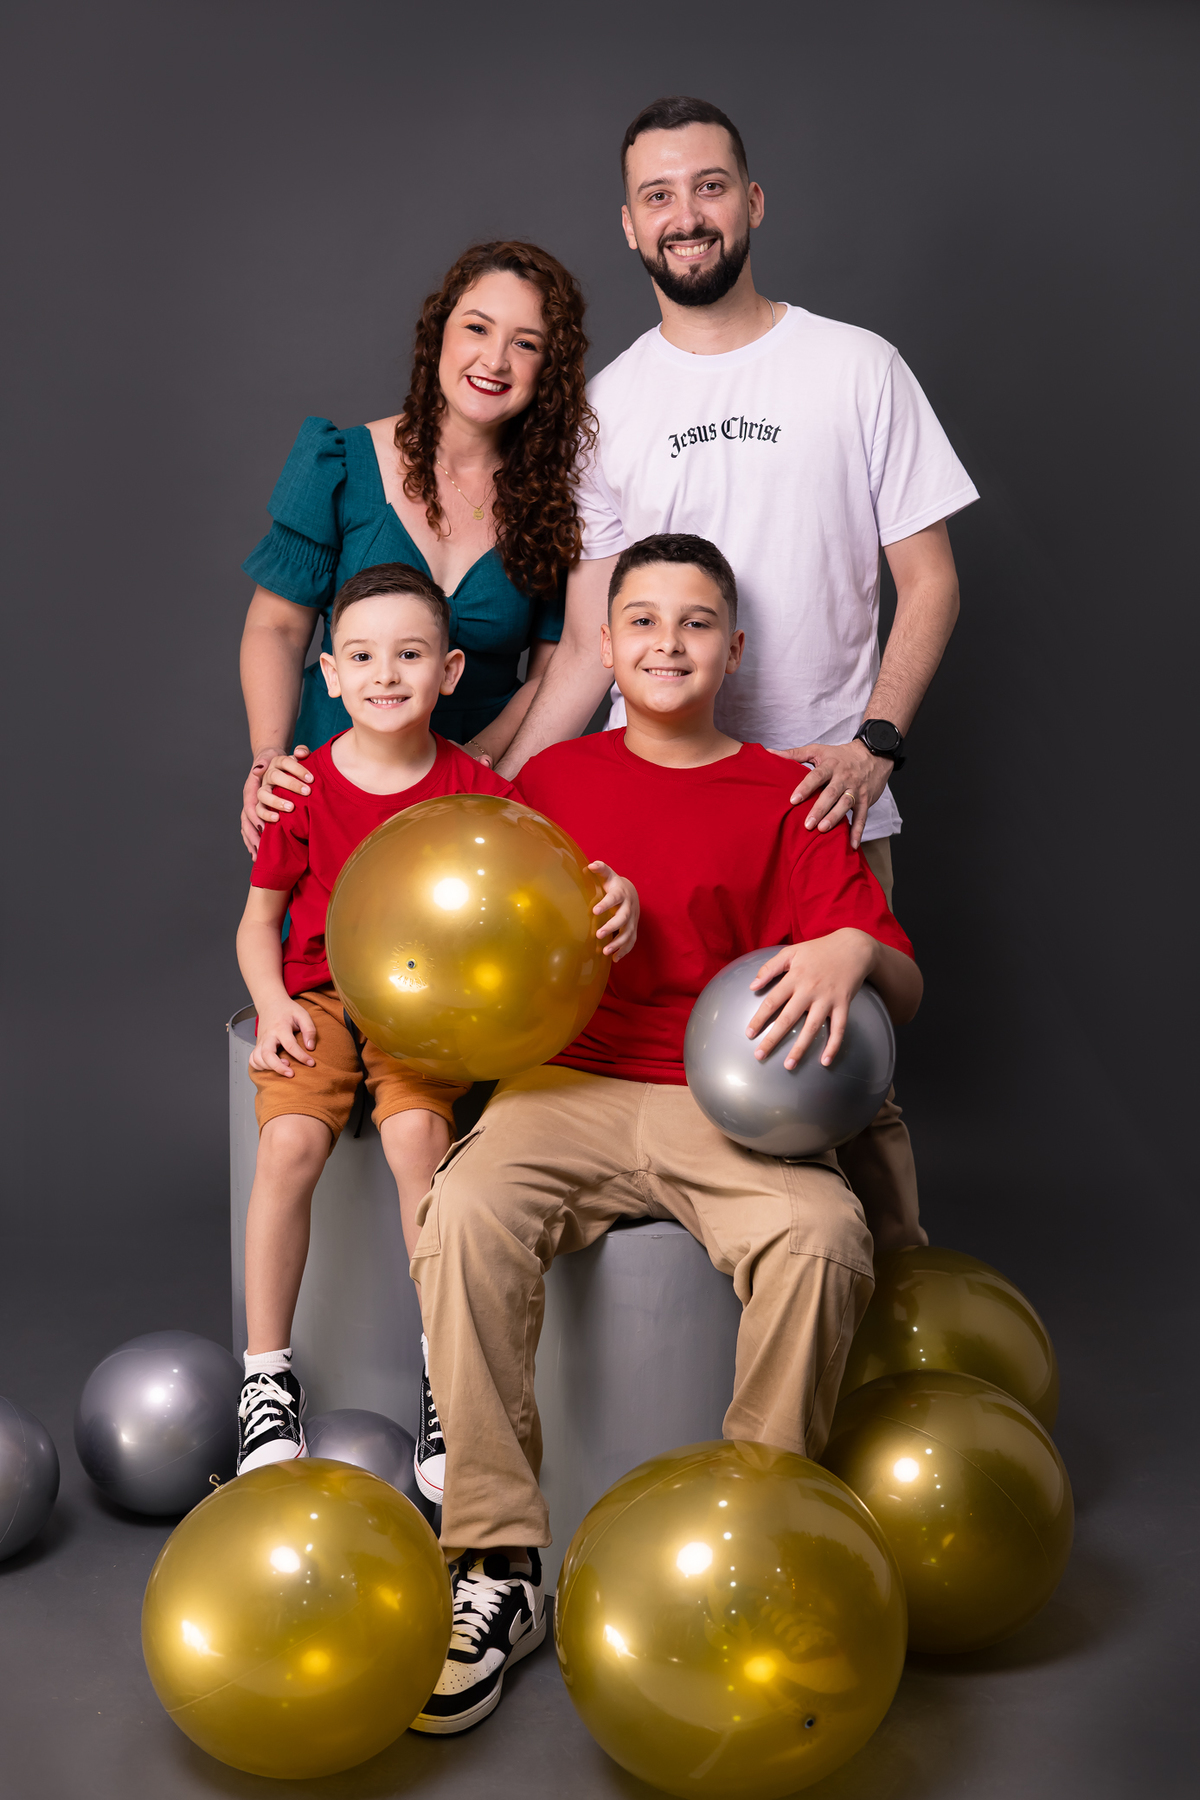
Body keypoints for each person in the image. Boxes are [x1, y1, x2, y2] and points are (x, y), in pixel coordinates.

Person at [409, 534, 922, 1735]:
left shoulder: (789, 794)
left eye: (695, 624)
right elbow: (478, 942)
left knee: (821, 1236)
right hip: (565, 1085)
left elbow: (901, 987)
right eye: (641, 621)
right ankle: (496, 1562)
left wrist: (856, 947)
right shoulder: (552, 785)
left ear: (733, 651)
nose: (667, 644)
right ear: (605, 646)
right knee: (464, 1209)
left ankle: (755, 1532)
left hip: (726, 1108)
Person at [492, 96, 978, 1254]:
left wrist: (876, 743)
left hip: (822, 800)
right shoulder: (608, 408)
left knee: (845, 1095)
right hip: (654, 814)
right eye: (658, 195)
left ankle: (890, 1318)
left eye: (709, 186)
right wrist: (487, 796)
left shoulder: (857, 367)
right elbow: (586, 645)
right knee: (634, 1082)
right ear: (629, 225)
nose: (687, 214)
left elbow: (931, 582)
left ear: (752, 202)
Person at [235, 562, 636, 1485]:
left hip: (426, 1008)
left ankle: (442, 1369)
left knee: (419, 1139)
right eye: (362, 657)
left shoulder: (476, 793)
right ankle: (265, 1377)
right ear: (329, 674)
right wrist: (273, 1002)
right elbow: (258, 924)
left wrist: (612, 890)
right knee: (289, 1145)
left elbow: (548, 886)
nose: (385, 674)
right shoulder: (302, 789)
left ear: (450, 671)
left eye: (410, 655)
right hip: (318, 997)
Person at [238, 239, 595, 856]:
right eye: (477, 327)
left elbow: (552, 671)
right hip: (333, 794)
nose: (495, 360)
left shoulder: (557, 501)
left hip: (479, 805)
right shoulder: (338, 463)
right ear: (440, 332)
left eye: (526, 343)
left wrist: (478, 767)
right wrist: (269, 757)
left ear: (549, 369)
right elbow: (276, 627)